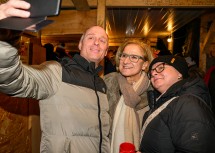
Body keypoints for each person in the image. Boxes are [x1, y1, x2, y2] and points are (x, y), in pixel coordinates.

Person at [0, 25, 110, 152]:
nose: (96, 42)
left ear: (106, 51)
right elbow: (15, 79)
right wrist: (7, 34)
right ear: (80, 44)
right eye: (91, 38)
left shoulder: (101, 85)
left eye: (102, 40)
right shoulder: (57, 72)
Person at [137, 55, 215, 153]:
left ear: (179, 73)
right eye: (151, 73)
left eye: (160, 68)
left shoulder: (188, 104)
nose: (154, 73)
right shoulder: (164, 102)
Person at [104, 39, 154, 153]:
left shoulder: (153, 91)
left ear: (145, 64)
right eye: (124, 55)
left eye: (134, 57)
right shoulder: (107, 83)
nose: (126, 61)